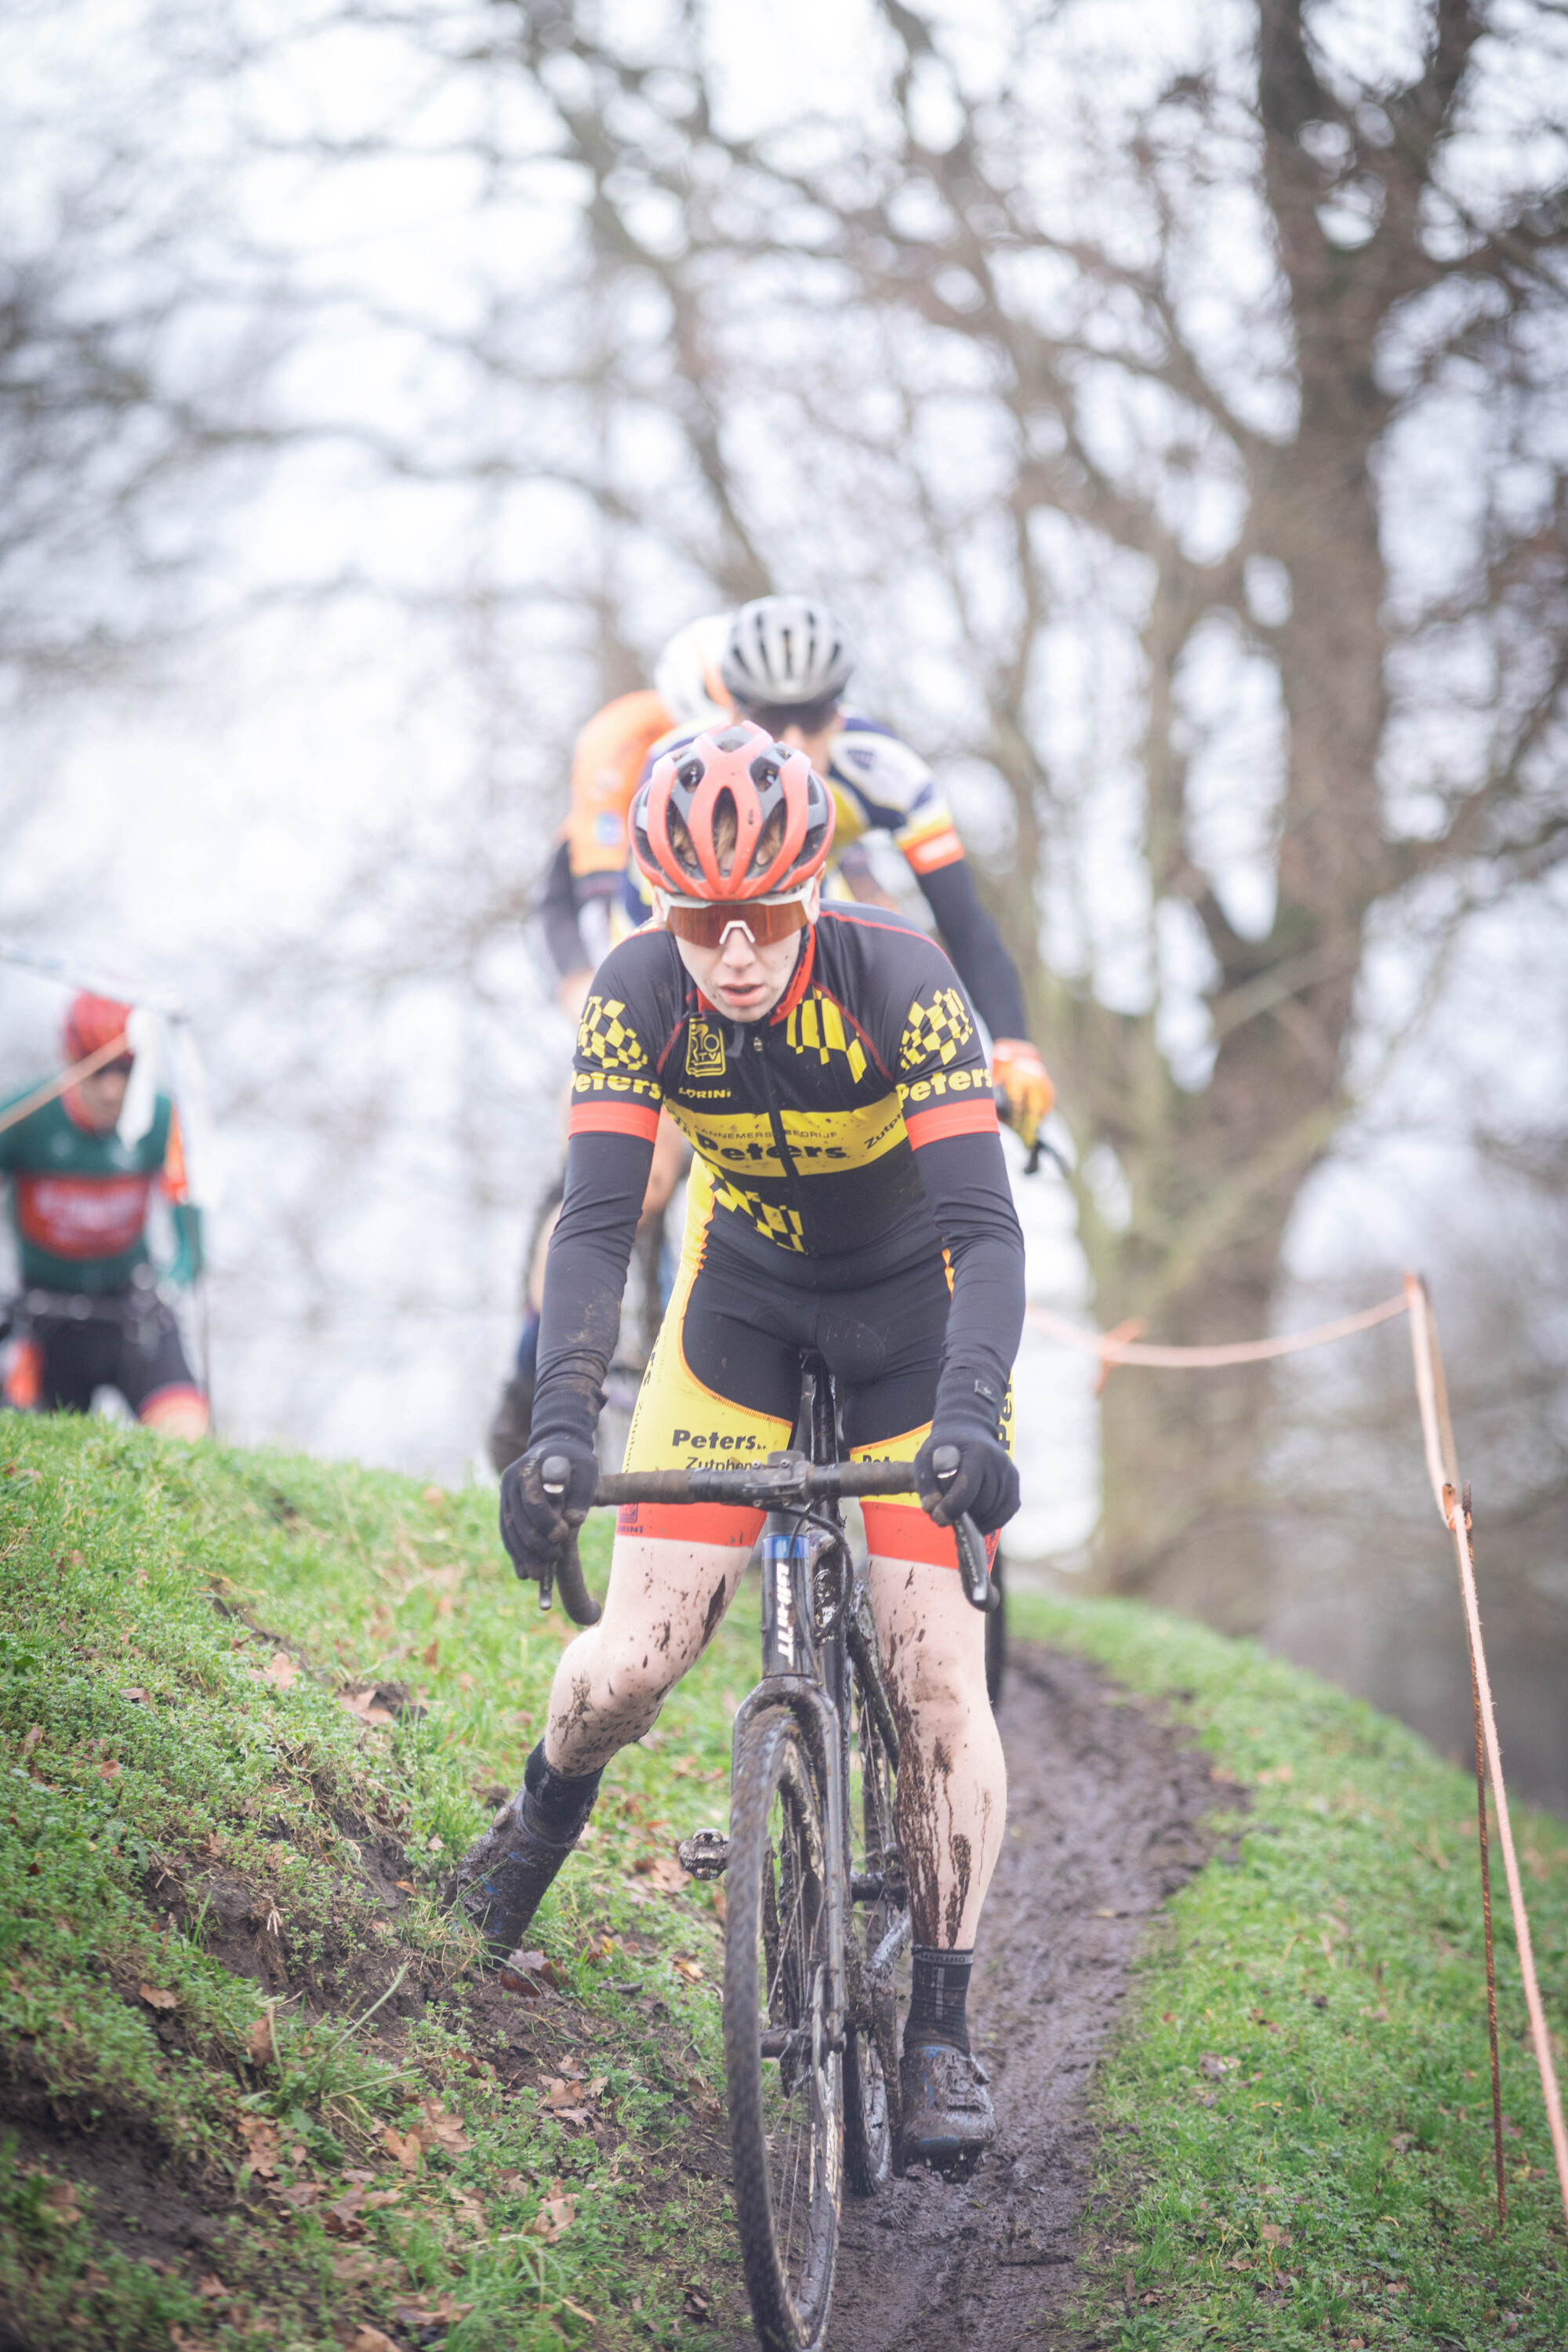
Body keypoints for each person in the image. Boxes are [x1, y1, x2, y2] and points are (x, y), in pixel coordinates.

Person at [458, 723, 1025, 2167]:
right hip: (746, 1310)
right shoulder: (633, 993)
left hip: (915, 1319)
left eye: (765, 916)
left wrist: (967, 1423)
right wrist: (560, 1427)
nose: (733, 952)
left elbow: (984, 1232)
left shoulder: (908, 982)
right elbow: (595, 1226)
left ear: (814, 890)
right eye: (699, 919)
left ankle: (942, 2031)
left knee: (940, 1686)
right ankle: (531, 1832)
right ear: (657, 909)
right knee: (631, 1659)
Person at [633, 593, 1056, 1158]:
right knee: (649, 1165)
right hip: (687, 935)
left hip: (795, 927)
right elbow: (650, 927)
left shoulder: (889, 771)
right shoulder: (677, 767)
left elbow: (964, 923)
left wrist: (1012, 1046)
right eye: (771, 719)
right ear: (731, 709)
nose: (796, 742)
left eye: (813, 718)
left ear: (839, 711)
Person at [488, 619, 728, 1472]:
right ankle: (534, 1372)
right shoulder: (625, 764)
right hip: (635, 998)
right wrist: (578, 992)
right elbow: (558, 903)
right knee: (618, 1185)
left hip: (737, 1017)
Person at [0, 992, 209, 1438]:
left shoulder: (161, 1120)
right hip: (44, 1315)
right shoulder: (25, 1117)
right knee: (29, 1452)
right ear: (69, 1058)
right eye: (96, 1069)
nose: (111, 1088)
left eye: (125, 1070)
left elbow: (190, 1243)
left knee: (187, 1434)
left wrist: (169, 1285)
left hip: (131, 1310)